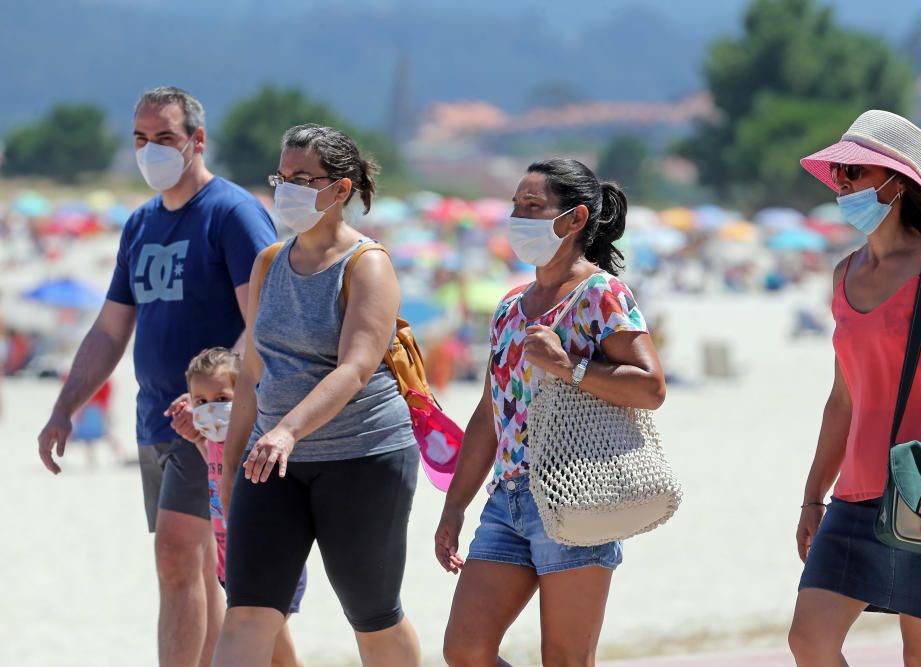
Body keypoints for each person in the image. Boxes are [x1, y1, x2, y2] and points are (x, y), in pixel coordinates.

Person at [36, 86, 277, 667]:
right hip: (154, 418)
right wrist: (66, 406)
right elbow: (110, 329)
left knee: (176, 554)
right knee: (194, 565)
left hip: (212, 421)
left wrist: (216, 402)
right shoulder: (141, 223)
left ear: (197, 141)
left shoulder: (232, 212)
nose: (151, 151)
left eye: (165, 138)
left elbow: (265, 319)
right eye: (141, 139)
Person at [789, 110, 921, 666]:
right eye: (838, 173)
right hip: (854, 495)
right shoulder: (844, 273)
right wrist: (814, 494)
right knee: (808, 641)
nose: (841, 185)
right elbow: (843, 397)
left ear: (896, 182)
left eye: (854, 172)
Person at [435, 158, 666, 666]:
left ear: (575, 218)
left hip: (578, 494)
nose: (518, 217)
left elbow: (650, 387)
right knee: (465, 650)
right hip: (509, 500)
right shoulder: (511, 306)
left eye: (533, 206)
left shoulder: (601, 294)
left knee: (564, 659)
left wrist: (570, 367)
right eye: (517, 205)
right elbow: (488, 414)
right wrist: (455, 504)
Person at [213, 124, 421, 667]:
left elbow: (355, 367)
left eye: (304, 178)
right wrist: (230, 463)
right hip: (271, 461)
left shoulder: (367, 265)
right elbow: (254, 371)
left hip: (363, 456)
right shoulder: (269, 263)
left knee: (372, 612)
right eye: (283, 177)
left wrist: (288, 430)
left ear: (341, 188)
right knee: (249, 611)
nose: (289, 189)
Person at [185, 347, 305, 667]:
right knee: (278, 654)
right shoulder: (212, 443)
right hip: (231, 568)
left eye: (222, 400)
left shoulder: (257, 438)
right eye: (201, 402)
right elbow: (218, 478)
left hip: (270, 565)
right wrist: (199, 442)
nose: (211, 409)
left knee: (258, 648)